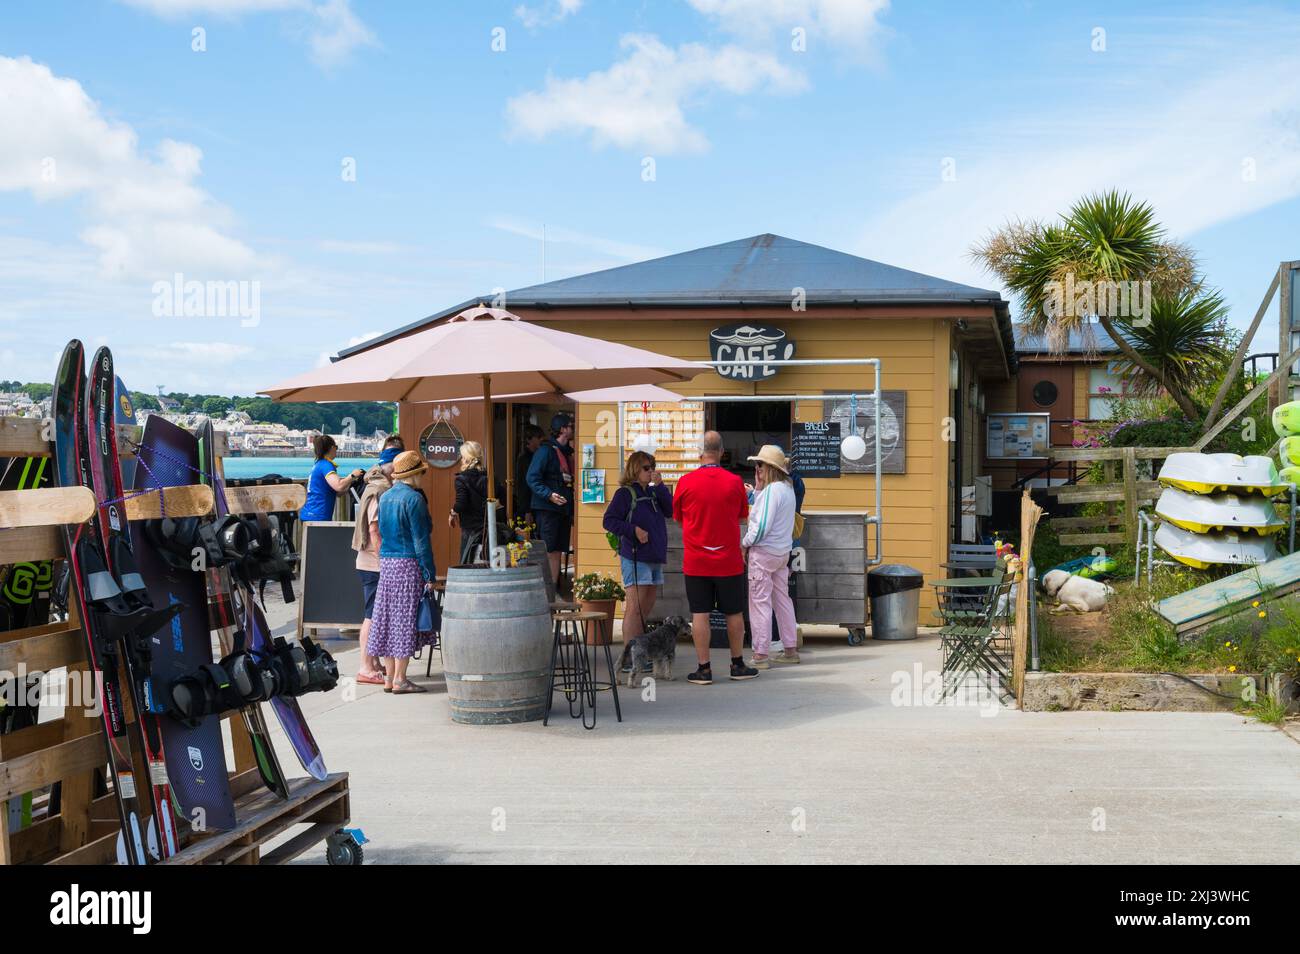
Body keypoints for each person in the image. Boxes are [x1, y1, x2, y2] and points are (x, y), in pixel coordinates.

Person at [672, 431, 758, 685]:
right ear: (722, 452)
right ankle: (737, 664)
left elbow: (678, 519)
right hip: (728, 559)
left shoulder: (685, 482)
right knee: (734, 613)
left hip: (697, 560)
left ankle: (704, 669)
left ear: (700, 452)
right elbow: (743, 517)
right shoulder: (734, 482)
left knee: (700, 614)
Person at [368, 451, 436, 694]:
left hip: (387, 563)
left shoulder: (385, 497)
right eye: (422, 473)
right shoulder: (414, 499)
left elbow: (381, 532)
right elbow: (421, 541)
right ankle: (401, 679)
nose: (423, 477)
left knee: (387, 619)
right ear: (415, 474)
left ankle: (389, 678)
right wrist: (429, 574)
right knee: (405, 621)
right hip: (408, 564)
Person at [602, 451, 673, 651]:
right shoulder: (625, 494)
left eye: (652, 467)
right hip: (636, 556)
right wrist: (633, 530)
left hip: (654, 556)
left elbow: (670, 510)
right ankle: (629, 656)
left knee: (645, 609)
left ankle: (638, 654)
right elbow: (608, 521)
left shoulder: (652, 492)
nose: (651, 471)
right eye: (646, 468)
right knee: (635, 609)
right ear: (635, 469)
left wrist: (660, 488)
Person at [742, 445, 800, 668]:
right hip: (781, 553)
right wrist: (757, 490)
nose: (757, 469)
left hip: (763, 554)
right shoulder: (786, 488)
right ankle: (790, 648)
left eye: (760, 465)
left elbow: (761, 525)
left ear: (769, 468)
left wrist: (745, 543)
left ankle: (760, 654)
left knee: (760, 604)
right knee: (782, 600)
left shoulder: (772, 491)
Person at [351, 446, 400, 684]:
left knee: (375, 614)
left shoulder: (375, 485)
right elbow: (374, 529)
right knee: (371, 615)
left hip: (369, 561)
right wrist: (385, 561)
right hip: (373, 562)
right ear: (390, 465)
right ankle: (365, 667)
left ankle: (373, 662)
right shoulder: (380, 490)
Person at [527, 412, 575, 592]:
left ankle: (552, 590)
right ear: (563, 429)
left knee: (558, 550)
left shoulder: (567, 452)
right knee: (548, 550)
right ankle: (545, 592)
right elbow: (532, 478)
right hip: (547, 509)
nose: (574, 428)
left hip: (563, 510)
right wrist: (549, 495)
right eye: (571, 425)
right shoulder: (545, 451)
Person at [300, 434, 364, 523]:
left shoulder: (319, 464)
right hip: (317, 516)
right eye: (336, 447)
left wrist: (351, 481)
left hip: (312, 514)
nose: (336, 450)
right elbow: (338, 486)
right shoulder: (326, 465)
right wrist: (352, 475)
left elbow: (338, 493)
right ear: (331, 448)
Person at [449, 440, 489, 564]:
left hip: (470, 529)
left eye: (462, 457)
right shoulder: (490, 478)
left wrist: (452, 513)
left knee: (467, 561)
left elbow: (461, 502)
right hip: (488, 527)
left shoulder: (462, 479)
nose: (461, 459)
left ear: (466, 459)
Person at [514, 424, 545, 522]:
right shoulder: (524, 459)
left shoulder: (538, 455)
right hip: (529, 507)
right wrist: (527, 510)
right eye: (539, 437)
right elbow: (523, 485)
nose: (541, 440)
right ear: (529, 439)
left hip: (538, 505)